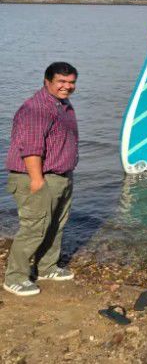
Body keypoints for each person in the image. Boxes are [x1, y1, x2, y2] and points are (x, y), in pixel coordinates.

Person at [4, 62, 79, 297]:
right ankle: (15, 277)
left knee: (56, 225)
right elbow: (31, 149)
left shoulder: (62, 104)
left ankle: (47, 267)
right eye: (61, 82)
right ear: (47, 81)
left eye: (71, 82)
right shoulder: (36, 109)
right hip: (36, 177)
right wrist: (37, 181)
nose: (67, 86)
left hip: (60, 176)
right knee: (34, 228)